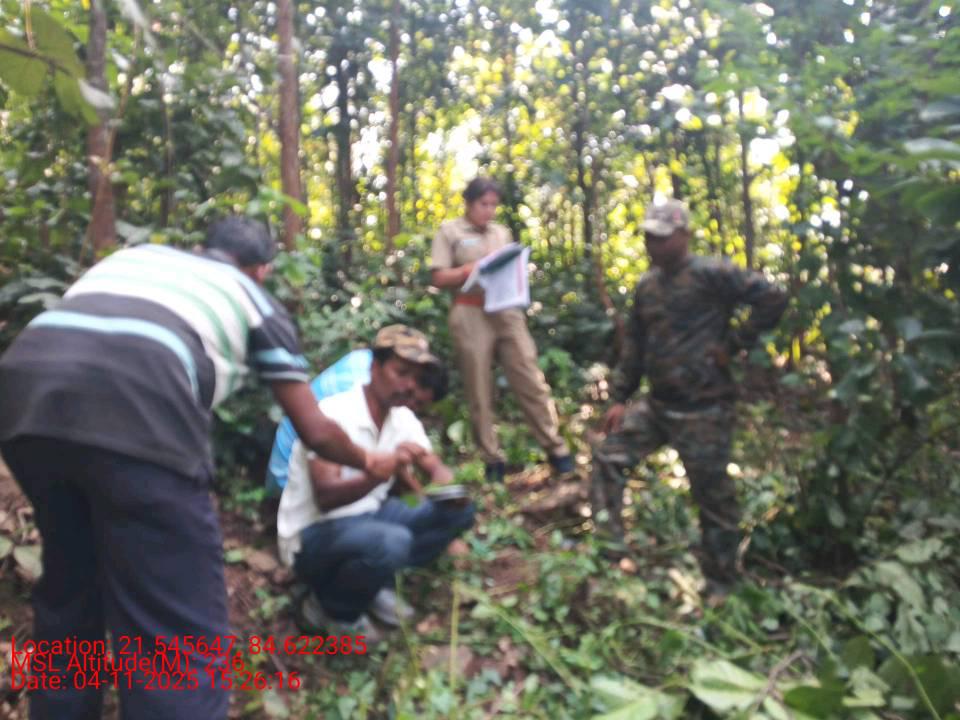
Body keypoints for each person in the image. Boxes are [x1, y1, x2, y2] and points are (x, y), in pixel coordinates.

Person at [0, 217, 404, 720]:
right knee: (175, 634)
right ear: (262, 270)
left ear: (199, 248)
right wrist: (369, 459)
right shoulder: (254, 298)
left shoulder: (133, 258)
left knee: (71, 589)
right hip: (140, 406)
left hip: (24, 400)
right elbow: (316, 431)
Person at [591, 199, 788, 590]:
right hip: (659, 405)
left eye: (662, 238)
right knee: (608, 456)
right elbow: (635, 345)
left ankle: (722, 581)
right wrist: (619, 398)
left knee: (712, 495)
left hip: (705, 407)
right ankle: (609, 555)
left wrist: (735, 343)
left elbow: (773, 297)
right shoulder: (647, 286)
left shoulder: (711, 273)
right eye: (649, 237)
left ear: (684, 236)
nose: (654, 245)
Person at [277, 325, 475, 642]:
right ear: (374, 367)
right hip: (314, 534)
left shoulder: (403, 420)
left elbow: (436, 474)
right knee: (391, 541)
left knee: (459, 511)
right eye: (401, 372)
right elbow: (326, 497)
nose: (408, 385)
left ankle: (372, 583)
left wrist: (439, 478)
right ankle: (330, 609)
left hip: (369, 521)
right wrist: (378, 473)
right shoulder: (334, 413)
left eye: (416, 377)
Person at [430, 177, 573, 483]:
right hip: (470, 311)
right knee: (479, 388)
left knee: (529, 376)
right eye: (483, 204)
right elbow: (438, 278)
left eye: (494, 205)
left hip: (506, 310)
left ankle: (556, 448)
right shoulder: (450, 232)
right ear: (469, 203)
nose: (489, 211)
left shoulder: (501, 233)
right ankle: (492, 459)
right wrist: (468, 270)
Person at [265, 348, 449, 494]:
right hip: (293, 479)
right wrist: (419, 496)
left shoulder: (381, 381)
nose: (412, 406)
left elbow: (423, 460)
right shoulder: (354, 397)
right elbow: (380, 467)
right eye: (415, 401)